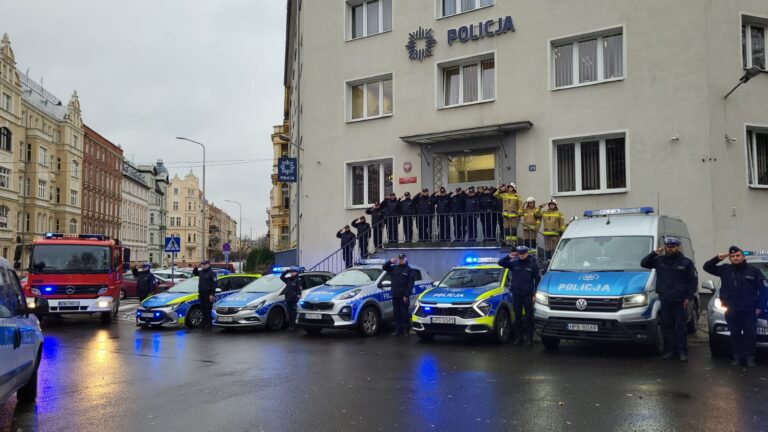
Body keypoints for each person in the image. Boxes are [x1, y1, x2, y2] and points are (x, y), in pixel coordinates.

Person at [703, 246, 768, 367]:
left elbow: (764, 289)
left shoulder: (753, 271)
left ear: (742, 257)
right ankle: (737, 358)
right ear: (730, 258)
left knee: (750, 335)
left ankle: (750, 358)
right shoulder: (725, 269)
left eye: (738, 255)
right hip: (732, 309)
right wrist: (717, 258)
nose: (735, 258)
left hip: (749, 309)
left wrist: (760, 306)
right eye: (732, 256)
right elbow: (707, 267)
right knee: (735, 334)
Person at [640, 238, 698, 361]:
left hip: (680, 300)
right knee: (668, 326)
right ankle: (670, 351)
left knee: (681, 327)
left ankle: (682, 352)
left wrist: (688, 298)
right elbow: (644, 263)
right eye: (668, 246)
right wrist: (654, 253)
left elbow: (692, 282)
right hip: (665, 299)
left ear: (678, 247)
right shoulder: (660, 260)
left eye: (672, 246)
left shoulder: (686, 263)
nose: (670, 248)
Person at [498, 246, 540, 346]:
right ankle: (518, 337)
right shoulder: (514, 263)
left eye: (523, 253)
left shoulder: (533, 265)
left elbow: (537, 280)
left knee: (529, 316)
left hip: (528, 294)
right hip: (516, 294)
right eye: (520, 254)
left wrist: (535, 293)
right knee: (517, 317)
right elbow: (500, 263)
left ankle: (529, 338)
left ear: (527, 253)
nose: (521, 255)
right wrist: (509, 256)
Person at [382, 253, 417, 336]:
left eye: (402, 258)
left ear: (406, 259)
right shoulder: (394, 268)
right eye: (400, 259)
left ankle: (406, 330)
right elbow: (384, 267)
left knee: (404, 313)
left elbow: (410, 284)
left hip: (403, 296)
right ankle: (398, 330)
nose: (401, 260)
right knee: (396, 313)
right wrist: (390, 261)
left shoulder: (409, 270)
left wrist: (406, 295)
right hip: (395, 295)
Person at [195, 260, 217, 329]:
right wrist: (196, 267)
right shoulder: (201, 272)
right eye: (202, 264)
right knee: (202, 308)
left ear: (208, 264)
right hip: (201, 293)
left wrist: (212, 294)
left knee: (208, 308)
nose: (203, 265)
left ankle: (209, 323)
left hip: (208, 293)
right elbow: (195, 273)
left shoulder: (212, 273)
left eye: (205, 264)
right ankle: (203, 322)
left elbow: (214, 284)